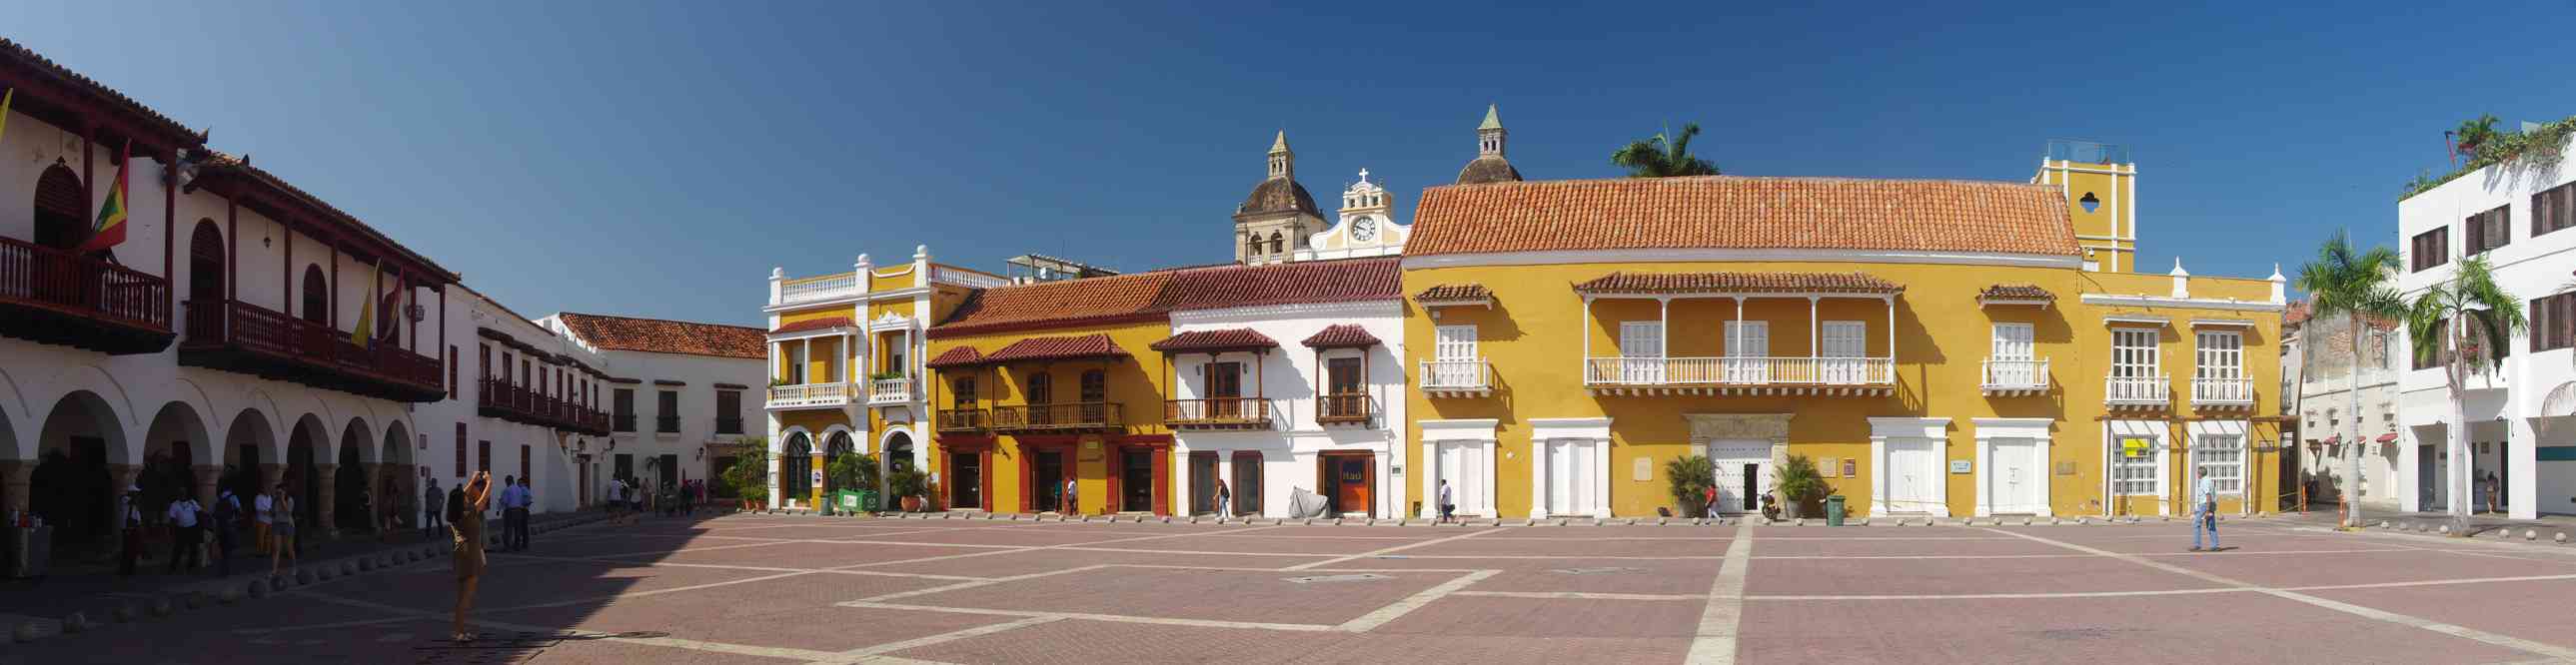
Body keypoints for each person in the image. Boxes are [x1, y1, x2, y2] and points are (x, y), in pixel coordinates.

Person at [450, 471, 493, 643]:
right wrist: (489, 481)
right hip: (469, 556)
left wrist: (472, 481)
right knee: (466, 597)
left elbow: (460, 496)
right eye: (465, 498)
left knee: (462, 596)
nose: (467, 498)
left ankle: (460, 630)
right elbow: (484, 498)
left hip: (462, 554)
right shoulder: (468, 513)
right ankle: (458, 632)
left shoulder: (456, 513)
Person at [165, 493, 203, 573]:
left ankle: (191, 566)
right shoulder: (174, 505)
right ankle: (172, 567)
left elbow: (199, 511)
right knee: (178, 549)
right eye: (181, 493)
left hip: (192, 528)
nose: (182, 495)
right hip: (181, 529)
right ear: (178, 495)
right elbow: (172, 518)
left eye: (184, 493)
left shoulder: (192, 502)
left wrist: (199, 524)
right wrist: (172, 529)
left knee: (193, 548)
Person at [211, 487, 240, 576]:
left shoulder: (217, 500)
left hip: (220, 529)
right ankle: (226, 571)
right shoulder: (233, 499)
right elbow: (237, 511)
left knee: (223, 551)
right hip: (229, 528)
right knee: (228, 552)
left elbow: (214, 514)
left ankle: (222, 570)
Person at [270, 485, 299, 575]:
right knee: (276, 549)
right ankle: (274, 570)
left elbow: (288, 512)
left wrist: (282, 499)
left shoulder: (289, 500)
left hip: (287, 524)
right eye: (277, 492)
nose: (278, 494)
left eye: (280, 492)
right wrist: (271, 512)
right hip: (276, 524)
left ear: (284, 492)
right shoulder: (274, 500)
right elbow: (273, 513)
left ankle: (294, 567)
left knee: (288, 548)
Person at [2190, 473, 2221, 552]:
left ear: (2200, 474)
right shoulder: (2209, 481)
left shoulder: (2204, 482)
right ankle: (2215, 545)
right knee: (2211, 524)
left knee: (2196, 523)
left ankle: (2197, 545)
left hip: (2206, 504)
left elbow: (2208, 495)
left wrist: (2207, 510)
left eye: (2197, 474)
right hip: (2210, 504)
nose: (2197, 475)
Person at [507, 476, 533, 551]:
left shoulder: (523, 489)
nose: (517, 484)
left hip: (523, 510)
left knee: (523, 527)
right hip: (522, 510)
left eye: (519, 483)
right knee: (522, 527)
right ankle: (524, 543)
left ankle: (524, 543)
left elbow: (528, 499)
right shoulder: (522, 489)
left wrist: (523, 504)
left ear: (522, 483)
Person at [254, 483, 275, 555]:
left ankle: (267, 551)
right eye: (266, 489)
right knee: (261, 537)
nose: (268, 490)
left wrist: (271, 512)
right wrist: (267, 512)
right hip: (262, 520)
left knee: (269, 537)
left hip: (269, 519)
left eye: (269, 489)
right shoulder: (258, 497)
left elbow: (270, 507)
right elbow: (258, 509)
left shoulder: (269, 497)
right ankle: (260, 551)